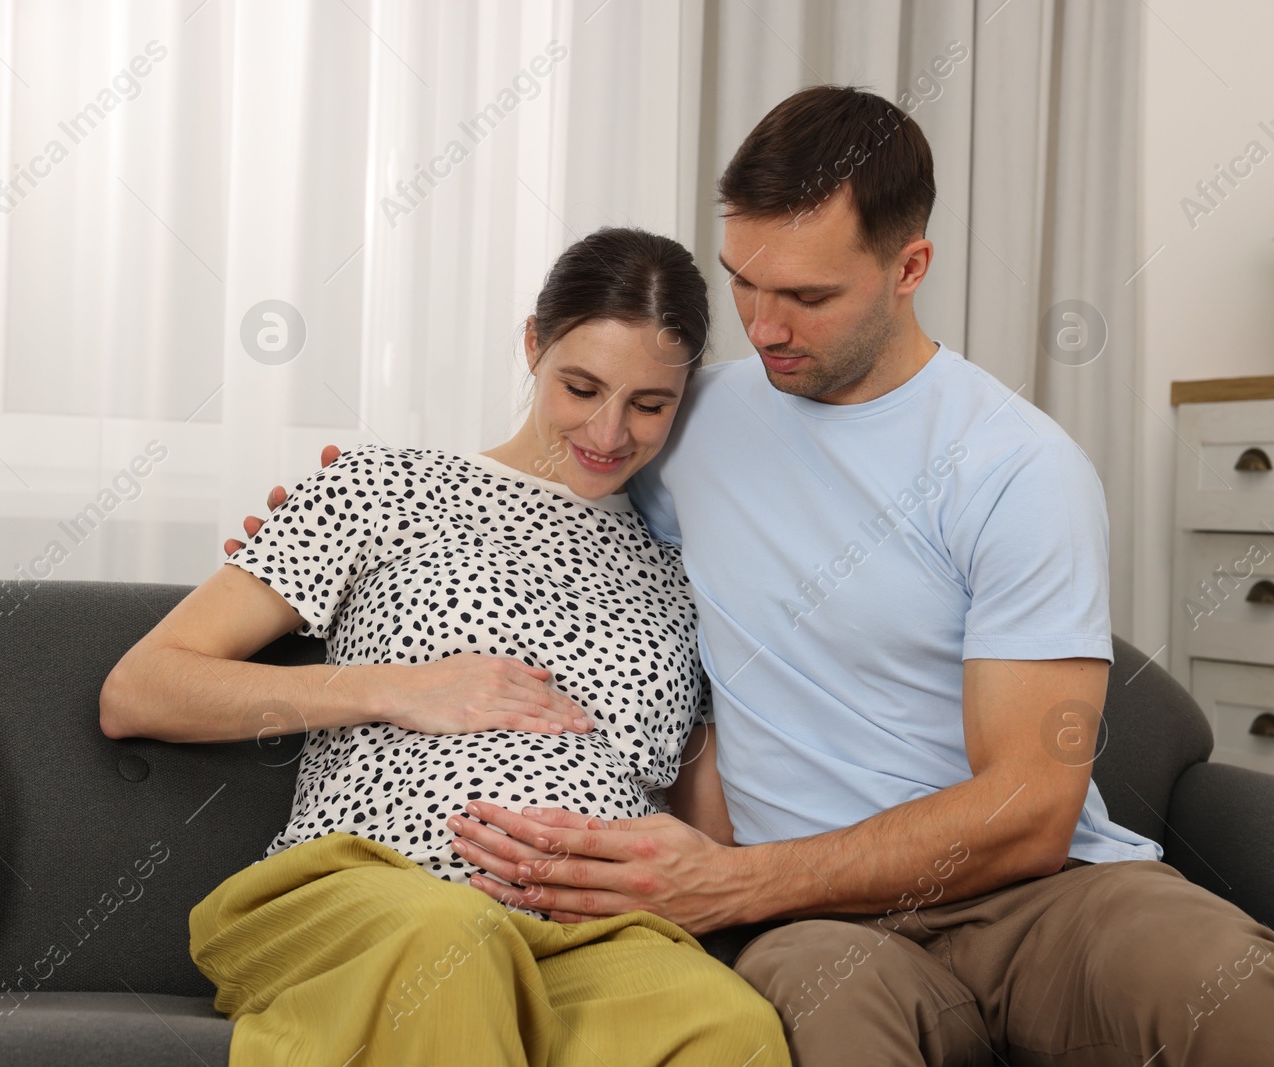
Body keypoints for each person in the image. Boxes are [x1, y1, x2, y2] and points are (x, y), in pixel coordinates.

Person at [243, 87, 1274, 1065]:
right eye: (744, 281)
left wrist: (732, 879)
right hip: (819, 925)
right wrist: (350, 512)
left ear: (909, 266)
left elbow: (1031, 804)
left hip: (1045, 893)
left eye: (809, 294)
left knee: (1225, 986)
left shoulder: (1018, 466)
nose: (765, 325)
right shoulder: (689, 418)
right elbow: (552, 494)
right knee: (812, 1024)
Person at [100, 227, 789, 1066]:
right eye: (582, 386)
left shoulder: (683, 576)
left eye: (650, 404)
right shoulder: (383, 486)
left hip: (595, 933)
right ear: (533, 344)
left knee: (731, 1026)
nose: (610, 431)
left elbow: (706, 821)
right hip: (383, 891)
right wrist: (397, 688)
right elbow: (140, 687)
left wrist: (698, 865)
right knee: (455, 943)